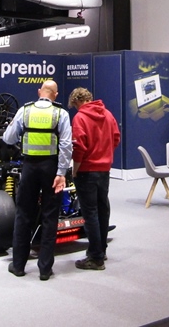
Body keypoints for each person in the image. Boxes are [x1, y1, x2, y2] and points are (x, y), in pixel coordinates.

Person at [2, 80, 72, 281]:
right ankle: (45, 269)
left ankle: (18, 265)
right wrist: (61, 173)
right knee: (50, 217)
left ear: (39, 91)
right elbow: (66, 146)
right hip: (51, 169)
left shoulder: (25, 111)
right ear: (56, 95)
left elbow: (8, 138)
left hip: (29, 168)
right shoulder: (61, 114)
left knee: (24, 214)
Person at [68, 87, 120, 271]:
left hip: (86, 171)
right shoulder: (108, 114)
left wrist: (75, 169)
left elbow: (79, 147)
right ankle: (101, 250)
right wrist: (105, 155)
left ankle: (95, 258)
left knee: (90, 213)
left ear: (76, 101)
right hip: (104, 170)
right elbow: (116, 138)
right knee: (102, 210)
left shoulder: (80, 118)